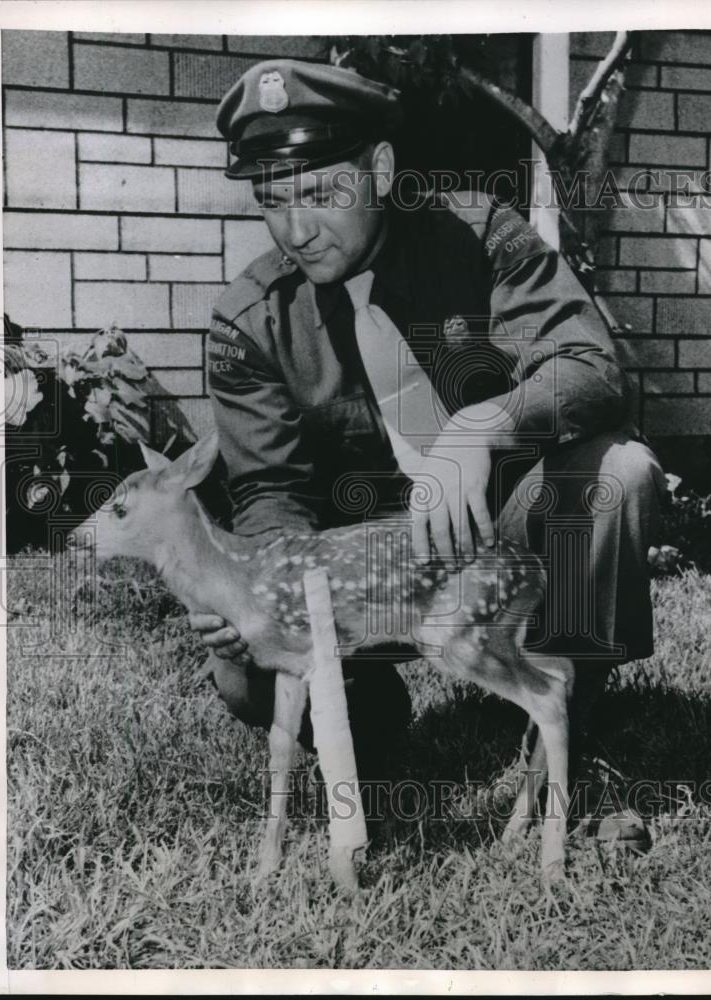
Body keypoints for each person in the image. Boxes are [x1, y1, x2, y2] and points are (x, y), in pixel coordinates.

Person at [189, 59, 666, 825]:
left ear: (379, 170)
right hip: (360, 569)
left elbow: (591, 368)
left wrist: (486, 423)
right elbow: (267, 493)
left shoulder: (475, 234)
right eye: (273, 200)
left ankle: (565, 727)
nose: (296, 228)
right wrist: (251, 582)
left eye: (320, 194)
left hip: (490, 535)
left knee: (617, 475)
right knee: (243, 673)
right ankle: (368, 720)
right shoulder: (250, 323)